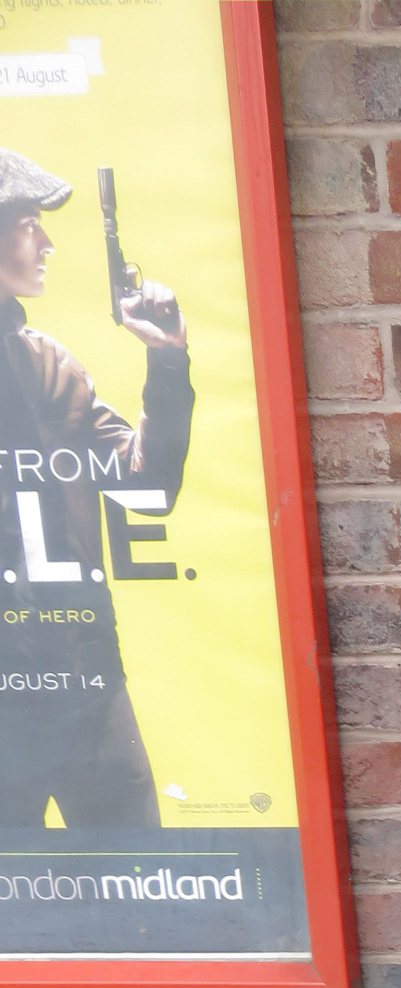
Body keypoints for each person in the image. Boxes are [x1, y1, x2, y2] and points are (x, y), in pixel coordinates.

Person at [0, 148, 192, 829]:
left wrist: (167, 363)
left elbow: (149, 486)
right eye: (29, 223)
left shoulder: (51, 367)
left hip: (84, 686)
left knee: (144, 897)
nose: (47, 242)